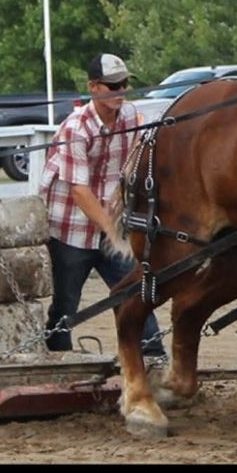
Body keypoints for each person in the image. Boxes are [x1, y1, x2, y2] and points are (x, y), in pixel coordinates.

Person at [39, 53, 165, 358]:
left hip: (111, 225)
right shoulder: (75, 128)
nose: (119, 91)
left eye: (123, 84)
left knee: (136, 293)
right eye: (112, 85)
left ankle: (154, 358)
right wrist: (113, 231)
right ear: (93, 87)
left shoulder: (133, 119)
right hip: (70, 228)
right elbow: (79, 191)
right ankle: (57, 362)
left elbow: (135, 168)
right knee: (65, 304)